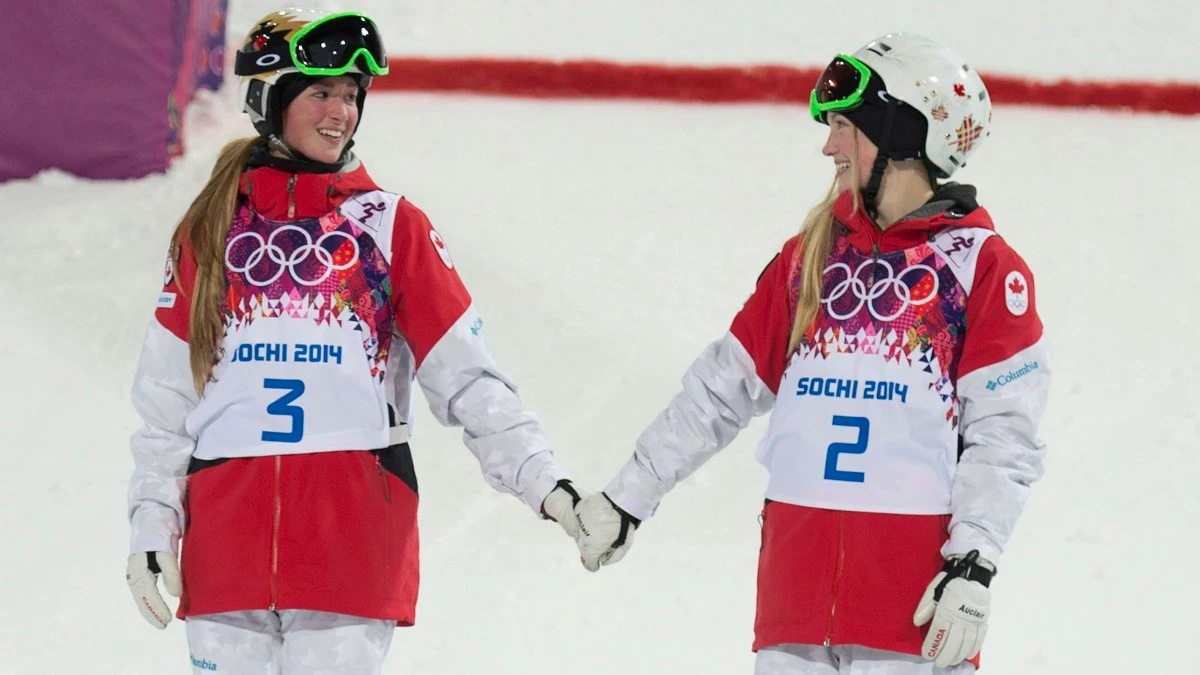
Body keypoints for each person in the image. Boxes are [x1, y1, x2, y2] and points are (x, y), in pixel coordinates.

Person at [572, 33, 1051, 674]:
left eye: (846, 128)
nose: (828, 146)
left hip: (910, 620)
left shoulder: (983, 270)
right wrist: (628, 497)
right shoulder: (809, 260)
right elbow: (720, 391)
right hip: (793, 613)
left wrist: (974, 564)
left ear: (903, 131)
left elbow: (1004, 438)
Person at [124, 9, 583, 674]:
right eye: (321, 92)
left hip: (348, 552)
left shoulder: (391, 226)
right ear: (269, 99)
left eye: (351, 94)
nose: (341, 111)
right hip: (225, 555)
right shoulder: (209, 229)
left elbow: (469, 380)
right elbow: (165, 401)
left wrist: (548, 484)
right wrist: (149, 525)